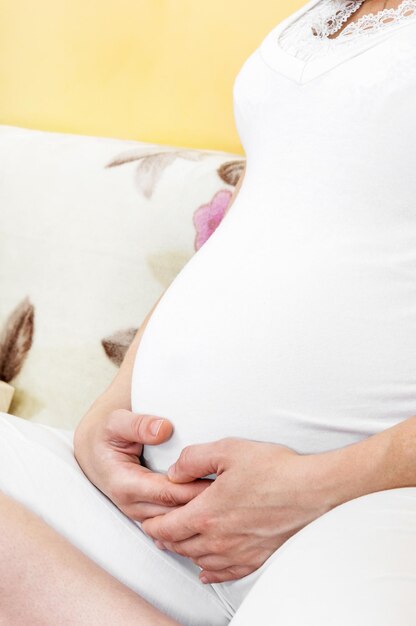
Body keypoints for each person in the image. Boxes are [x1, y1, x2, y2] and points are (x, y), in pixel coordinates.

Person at [2, 0, 416, 623]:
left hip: (367, 508)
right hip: (158, 511)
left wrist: (320, 486)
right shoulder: (332, 11)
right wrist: (112, 406)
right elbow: (252, 225)